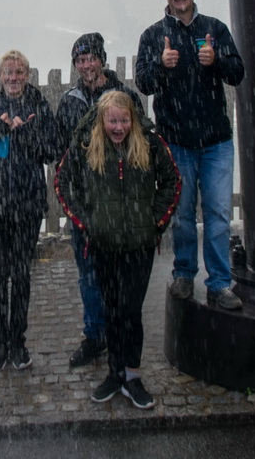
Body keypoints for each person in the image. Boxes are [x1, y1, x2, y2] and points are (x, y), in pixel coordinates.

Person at [55, 90, 180, 409]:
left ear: (132, 119)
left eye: (124, 120)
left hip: (139, 244)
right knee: (111, 310)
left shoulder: (151, 143)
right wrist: (87, 222)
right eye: (112, 121)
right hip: (104, 243)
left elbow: (172, 182)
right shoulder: (86, 145)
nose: (119, 127)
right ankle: (114, 374)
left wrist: (155, 222)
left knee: (131, 311)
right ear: (102, 120)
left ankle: (132, 376)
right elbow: (62, 183)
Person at [135, 0, 245, 310]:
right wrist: (161, 65)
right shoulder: (153, 35)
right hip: (175, 142)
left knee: (218, 214)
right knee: (182, 215)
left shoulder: (214, 29)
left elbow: (237, 73)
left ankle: (220, 283)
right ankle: (184, 273)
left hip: (216, 142)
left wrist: (216, 59)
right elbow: (143, 84)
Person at [55, 32, 146, 367]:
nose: (86, 65)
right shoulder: (69, 101)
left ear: (102, 60)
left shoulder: (124, 96)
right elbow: (61, 151)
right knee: (89, 275)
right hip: (86, 204)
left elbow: (142, 144)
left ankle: (121, 338)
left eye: (91, 58)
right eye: (80, 60)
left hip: (121, 203)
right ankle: (95, 336)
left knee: (122, 276)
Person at [0, 49, 60, 370]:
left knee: (20, 273)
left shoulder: (39, 107)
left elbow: (51, 150)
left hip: (28, 203)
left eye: (19, 72)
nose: (13, 78)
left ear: (27, 75)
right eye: (8, 72)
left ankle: (18, 342)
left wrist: (26, 133)